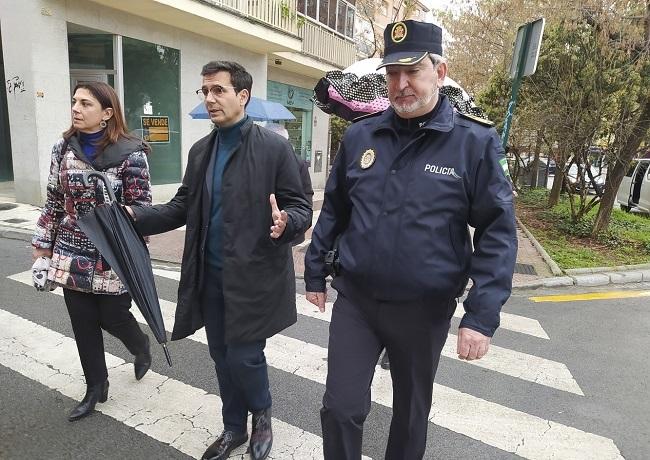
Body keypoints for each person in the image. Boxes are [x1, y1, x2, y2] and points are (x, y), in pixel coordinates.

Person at [304, 20, 517, 460]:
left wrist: (480, 316)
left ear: (439, 73)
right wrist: (313, 270)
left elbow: (497, 230)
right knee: (340, 408)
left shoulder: (473, 143)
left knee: (410, 417)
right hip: (358, 301)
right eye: (392, 73)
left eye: (412, 71)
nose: (400, 84)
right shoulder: (363, 135)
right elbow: (337, 209)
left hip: (424, 309)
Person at [126, 61, 311, 460]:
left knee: (245, 355)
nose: (209, 98)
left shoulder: (274, 148)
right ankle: (233, 428)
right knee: (220, 355)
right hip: (209, 276)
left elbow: (300, 204)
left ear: (242, 96)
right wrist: (136, 215)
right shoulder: (200, 151)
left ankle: (261, 417)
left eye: (218, 90)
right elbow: (182, 206)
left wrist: (287, 220)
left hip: (255, 276)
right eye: (205, 91)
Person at [32, 81, 153, 422]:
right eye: (74, 101)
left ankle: (140, 345)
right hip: (72, 250)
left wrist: (117, 217)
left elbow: (142, 205)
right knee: (83, 322)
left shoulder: (132, 152)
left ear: (107, 113)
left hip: (114, 252)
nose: (76, 108)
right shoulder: (64, 148)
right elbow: (55, 199)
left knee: (113, 315)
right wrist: (42, 245)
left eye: (86, 103)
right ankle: (95, 387)